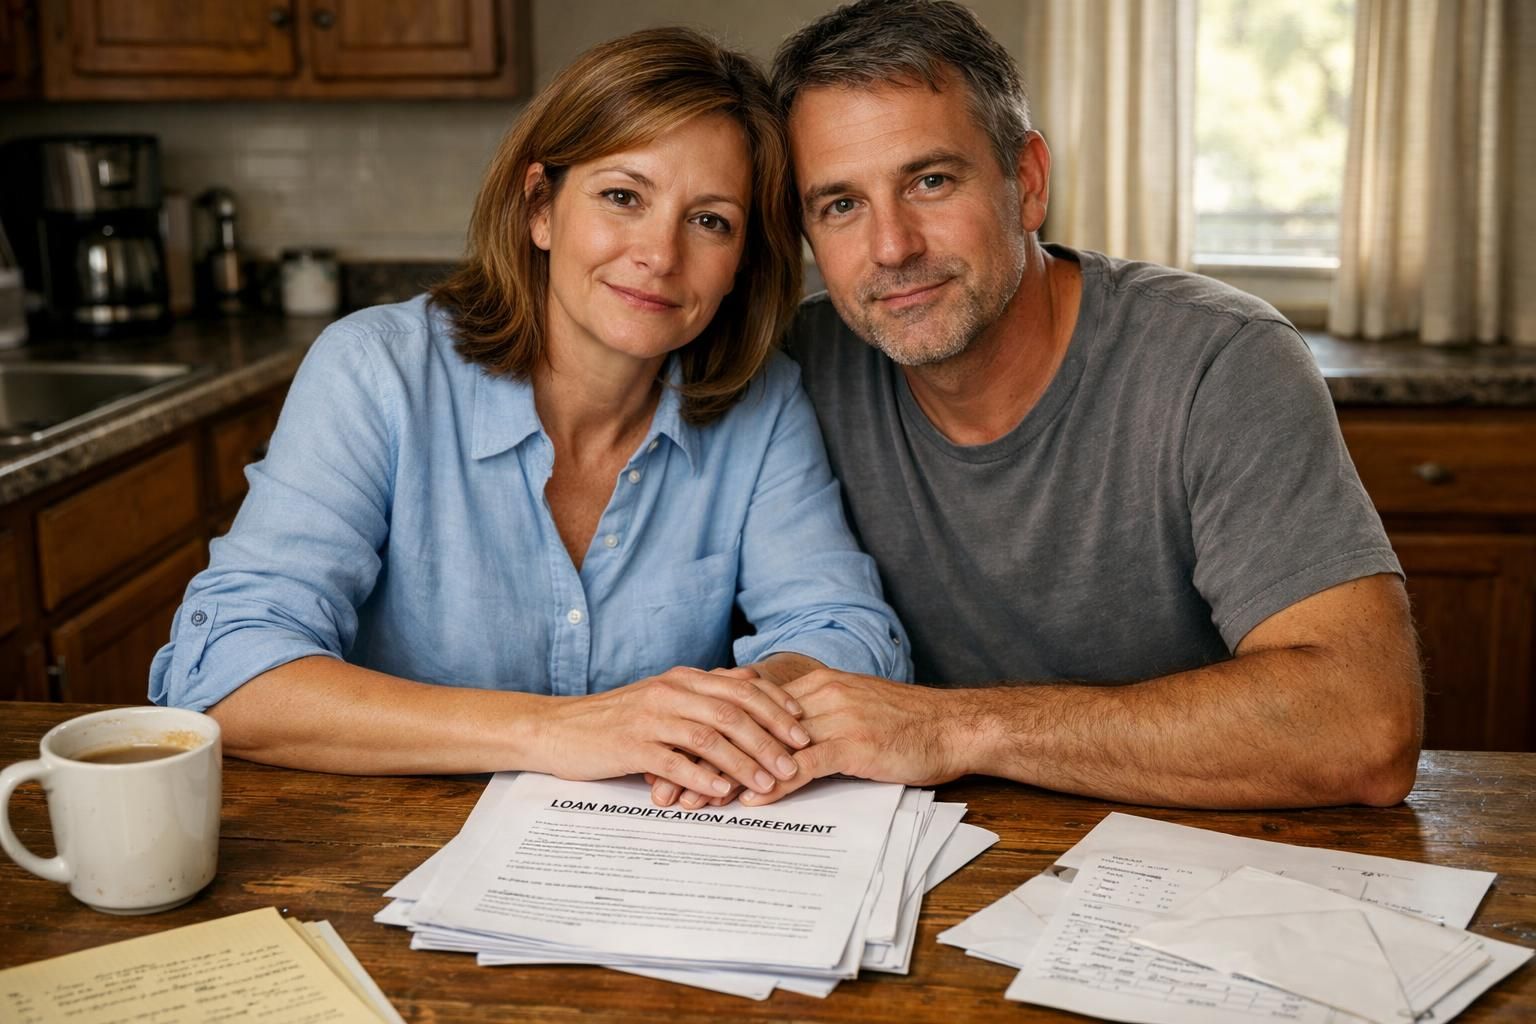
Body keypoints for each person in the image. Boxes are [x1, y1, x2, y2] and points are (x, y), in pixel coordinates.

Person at [650, 0, 1421, 813]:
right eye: (841, 205)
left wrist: (956, 729)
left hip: (1196, 866)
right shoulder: (793, 371)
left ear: (1027, 181)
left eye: (931, 181)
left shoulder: (1218, 359)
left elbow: (1365, 727)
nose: (892, 247)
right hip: (904, 866)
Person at [149, 27, 909, 806]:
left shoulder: (763, 401)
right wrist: (556, 731)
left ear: (744, 259)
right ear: (541, 207)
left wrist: (737, 713)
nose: (659, 254)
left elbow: (847, 633)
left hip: (654, 854)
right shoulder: (376, 371)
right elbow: (227, 671)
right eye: (623, 197)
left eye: (710, 220)